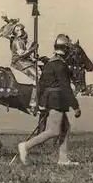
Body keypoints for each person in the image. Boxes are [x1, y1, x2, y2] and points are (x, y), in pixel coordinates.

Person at [17, 34, 81, 166]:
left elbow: (41, 84)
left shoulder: (50, 63)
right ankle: (26, 146)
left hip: (49, 99)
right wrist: (75, 106)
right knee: (54, 130)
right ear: (66, 49)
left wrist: (40, 102)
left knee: (65, 128)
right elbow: (65, 87)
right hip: (57, 99)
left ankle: (63, 159)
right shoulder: (61, 65)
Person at [0, 16, 40, 113]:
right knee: (38, 77)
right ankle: (33, 103)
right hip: (21, 63)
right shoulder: (17, 41)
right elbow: (21, 55)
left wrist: (34, 58)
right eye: (22, 30)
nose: (24, 32)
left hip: (25, 62)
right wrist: (32, 49)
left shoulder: (20, 41)